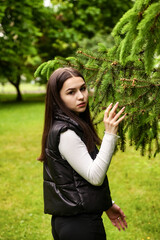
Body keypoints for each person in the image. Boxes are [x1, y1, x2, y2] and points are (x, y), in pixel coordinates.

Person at [38, 67, 127, 240]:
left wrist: (108, 204)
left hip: (71, 221)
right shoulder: (66, 132)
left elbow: (76, 180)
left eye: (83, 88)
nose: (81, 96)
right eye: (71, 92)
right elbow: (94, 176)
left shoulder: (68, 125)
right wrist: (110, 134)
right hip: (80, 226)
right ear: (58, 98)